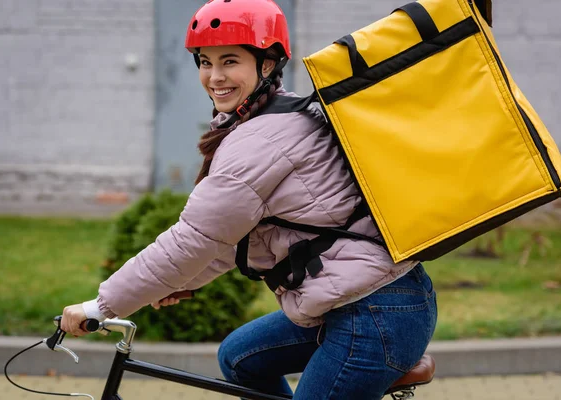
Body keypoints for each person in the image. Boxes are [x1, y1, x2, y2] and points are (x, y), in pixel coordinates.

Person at [61, 0, 437, 398]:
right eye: (205, 62)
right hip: (367, 300)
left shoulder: (261, 140)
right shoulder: (269, 120)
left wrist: (101, 307)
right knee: (240, 358)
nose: (214, 76)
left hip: (375, 312)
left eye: (229, 61)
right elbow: (231, 239)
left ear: (268, 65)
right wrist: (184, 281)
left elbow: (194, 239)